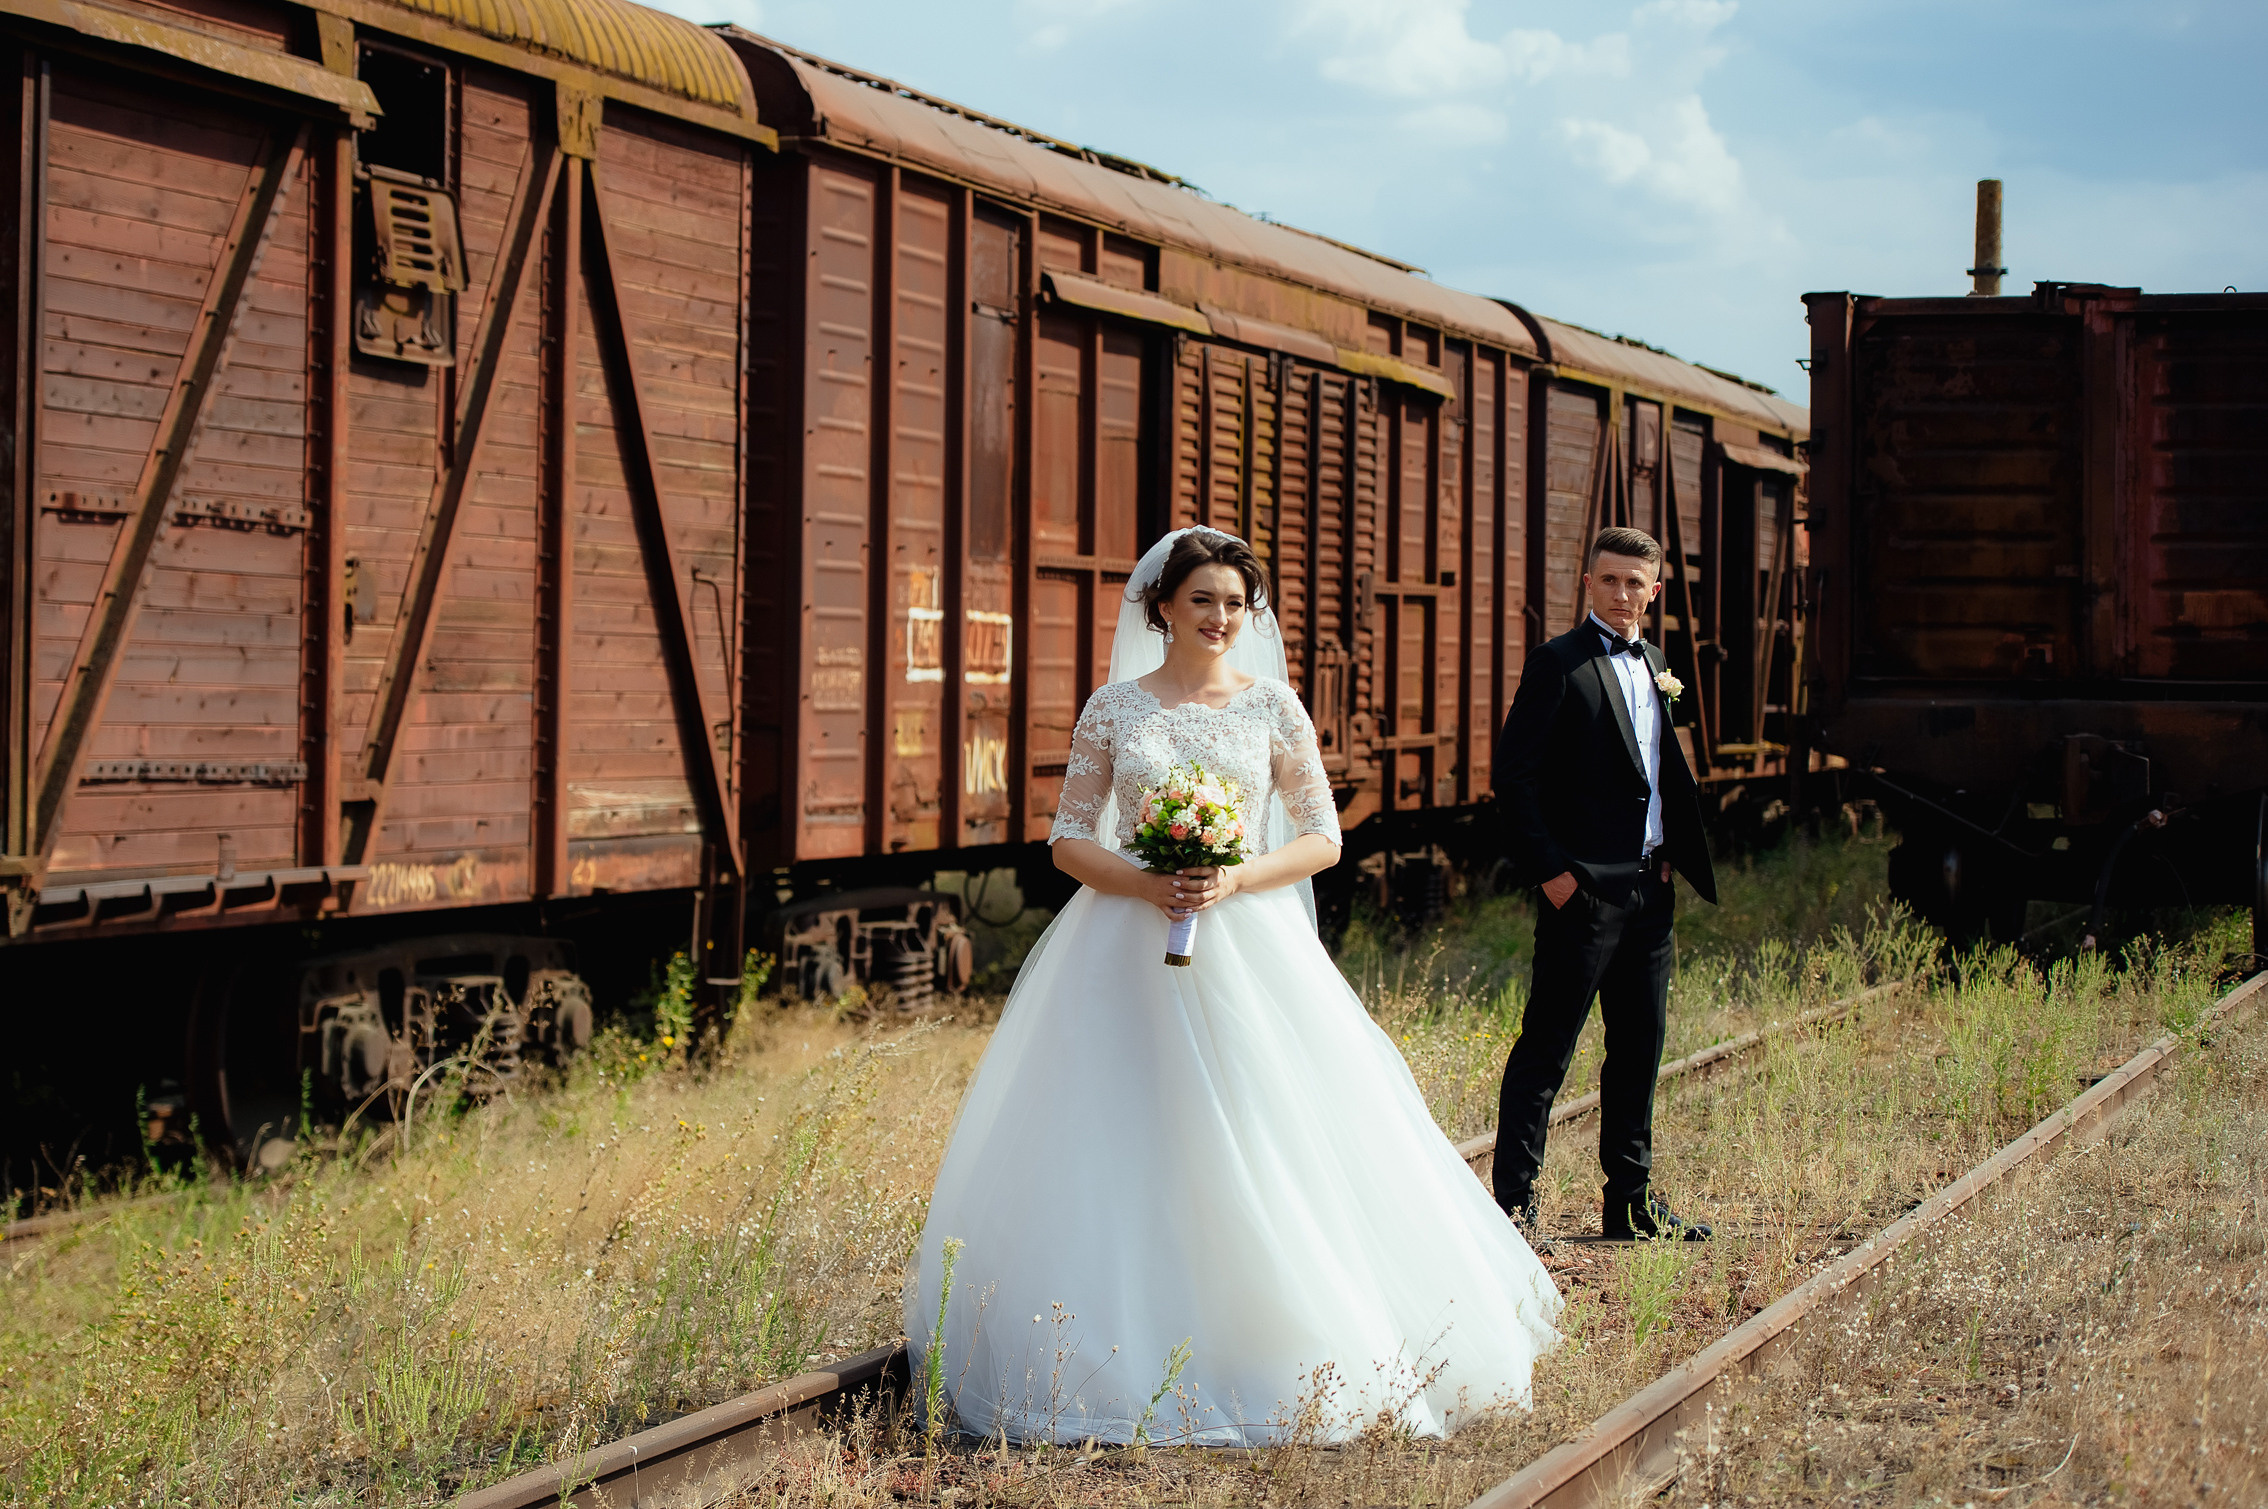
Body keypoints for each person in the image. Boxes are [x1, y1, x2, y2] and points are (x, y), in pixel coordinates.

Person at [904, 526, 1561, 1447]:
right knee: (1122, 1130)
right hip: (1122, 943)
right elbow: (1067, 837)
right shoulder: (1114, 708)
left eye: (1235, 604)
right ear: (1161, 606)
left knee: (1259, 1123)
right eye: (1203, 599)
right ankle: (1109, 1348)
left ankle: (1272, 1330)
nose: (1221, 618)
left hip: (1248, 936)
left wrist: (1236, 876)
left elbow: (1321, 837)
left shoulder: (1275, 708)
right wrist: (1143, 879)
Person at [1489, 526, 1719, 1242]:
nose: (1623, 593)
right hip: (1582, 895)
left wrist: (1670, 851)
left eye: (1636, 583)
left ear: (1655, 591)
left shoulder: (1655, 661)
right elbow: (1513, 780)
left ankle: (1630, 1202)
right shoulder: (1557, 664)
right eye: (1610, 579)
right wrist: (1555, 877)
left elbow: (1654, 771)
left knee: (1640, 1048)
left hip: (1651, 891)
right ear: (1587, 583)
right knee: (1546, 1052)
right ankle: (1515, 1213)